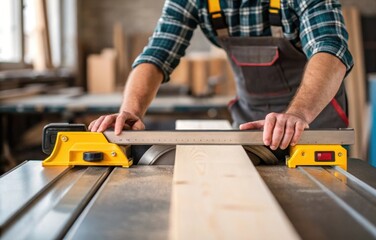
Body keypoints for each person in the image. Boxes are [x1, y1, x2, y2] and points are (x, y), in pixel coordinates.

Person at [89, 0, 353, 151]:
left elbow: (330, 48)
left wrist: (297, 114)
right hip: (251, 125)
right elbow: (157, 54)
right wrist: (130, 111)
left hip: (312, 119)